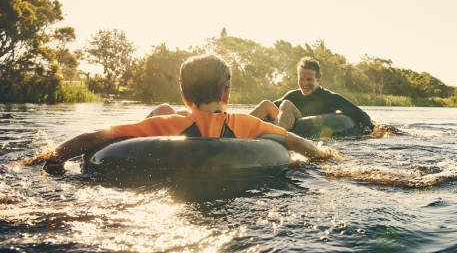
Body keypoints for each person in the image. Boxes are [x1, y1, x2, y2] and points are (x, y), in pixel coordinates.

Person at [23, 55, 337, 171]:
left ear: (184, 95)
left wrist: (48, 158)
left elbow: (96, 136)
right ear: (227, 95)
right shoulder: (245, 124)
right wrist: (331, 160)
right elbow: (297, 142)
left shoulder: (168, 123)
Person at [250, 57, 373, 132]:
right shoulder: (293, 95)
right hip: (287, 122)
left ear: (318, 78)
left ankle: (280, 136)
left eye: (309, 80)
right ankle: (233, 130)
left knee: (286, 104)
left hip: (303, 129)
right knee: (266, 104)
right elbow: (270, 109)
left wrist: (370, 129)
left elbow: (360, 114)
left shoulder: (330, 98)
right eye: (301, 79)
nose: (304, 83)